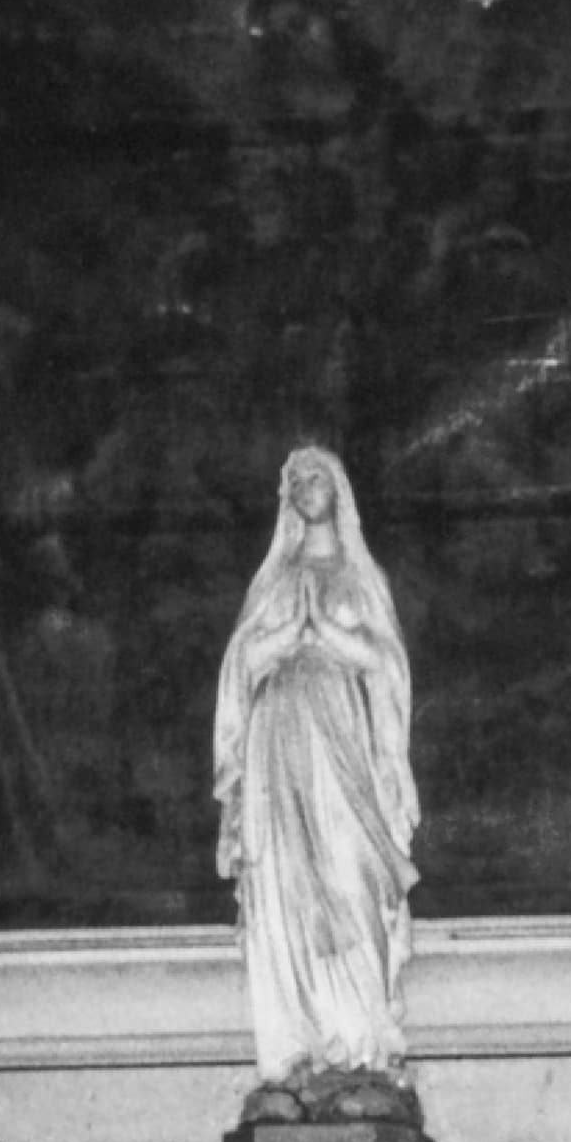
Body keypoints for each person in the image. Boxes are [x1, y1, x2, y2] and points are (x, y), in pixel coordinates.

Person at [213, 446, 418, 1096]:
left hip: (342, 738)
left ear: (339, 489)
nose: (306, 486)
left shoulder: (359, 576)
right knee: (285, 883)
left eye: (317, 476)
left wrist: (322, 629)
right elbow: (242, 663)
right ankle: (295, 1049)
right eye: (295, 480)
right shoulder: (274, 580)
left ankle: (359, 1047)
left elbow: (386, 663)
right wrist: (285, 637)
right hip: (278, 740)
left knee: (350, 874)